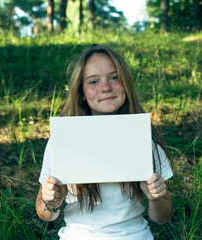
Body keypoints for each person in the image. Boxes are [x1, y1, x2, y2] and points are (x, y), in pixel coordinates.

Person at [36, 44, 174, 240]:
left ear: (125, 83)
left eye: (114, 77)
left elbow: (162, 217)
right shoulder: (64, 139)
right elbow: (44, 213)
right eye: (93, 82)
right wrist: (52, 202)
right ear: (81, 92)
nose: (106, 87)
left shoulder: (143, 137)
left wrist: (155, 198)